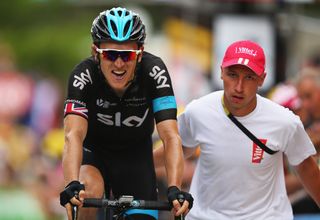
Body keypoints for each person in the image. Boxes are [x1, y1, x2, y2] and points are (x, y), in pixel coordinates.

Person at [155, 40, 320, 219]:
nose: (239, 87)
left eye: (249, 77)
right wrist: (129, 165)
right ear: (221, 72)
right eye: (232, 75)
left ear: (262, 79)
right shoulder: (198, 112)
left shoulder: (284, 122)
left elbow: (306, 168)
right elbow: (174, 151)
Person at [59, 7, 193, 220]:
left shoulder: (154, 71)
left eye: (127, 55)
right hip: (94, 153)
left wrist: (174, 188)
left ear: (140, 53)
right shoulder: (83, 75)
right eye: (110, 55)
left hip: (135, 156)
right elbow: (73, 135)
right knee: (86, 193)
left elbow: (170, 136)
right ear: (96, 53)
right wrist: (71, 184)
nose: (119, 64)